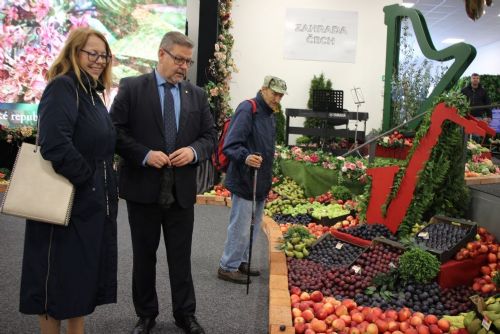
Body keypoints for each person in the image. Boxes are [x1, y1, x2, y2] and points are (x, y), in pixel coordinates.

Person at [110, 31, 216, 334]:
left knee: (181, 258)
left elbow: (210, 137)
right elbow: (115, 131)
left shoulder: (196, 94)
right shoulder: (132, 88)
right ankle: (145, 315)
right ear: (161, 54)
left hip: (181, 193)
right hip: (143, 189)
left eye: (188, 61)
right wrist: (143, 155)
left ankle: (185, 314)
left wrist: (194, 151)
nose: (184, 66)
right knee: (144, 257)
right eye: (179, 59)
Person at [19, 28, 118, 334]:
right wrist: (88, 181)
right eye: (92, 53)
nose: (99, 60)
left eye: (104, 55)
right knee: (55, 285)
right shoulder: (63, 88)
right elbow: (54, 145)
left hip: (88, 207)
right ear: (75, 53)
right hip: (64, 206)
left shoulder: (92, 93)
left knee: (79, 282)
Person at [218, 75, 287, 284]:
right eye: (274, 93)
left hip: (261, 180)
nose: (277, 98)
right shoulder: (248, 109)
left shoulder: (270, 115)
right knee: (240, 225)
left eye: (281, 95)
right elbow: (230, 145)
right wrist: (246, 157)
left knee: (254, 226)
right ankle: (228, 266)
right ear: (263, 88)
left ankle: (242, 261)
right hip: (244, 179)